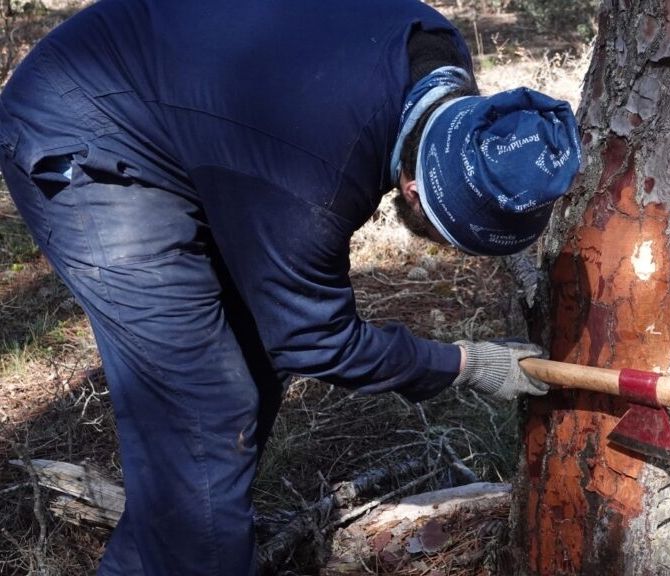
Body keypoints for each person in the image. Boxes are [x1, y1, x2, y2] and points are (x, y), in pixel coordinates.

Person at [0, 1, 581, 574]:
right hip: (86, 127)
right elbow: (313, 339)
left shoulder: (435, 50)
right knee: (206, 407)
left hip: (190, 114)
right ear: (411, 187)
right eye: (445, 232)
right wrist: (463, 364)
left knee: (244, 380)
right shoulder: (311, 183)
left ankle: (170, 552)